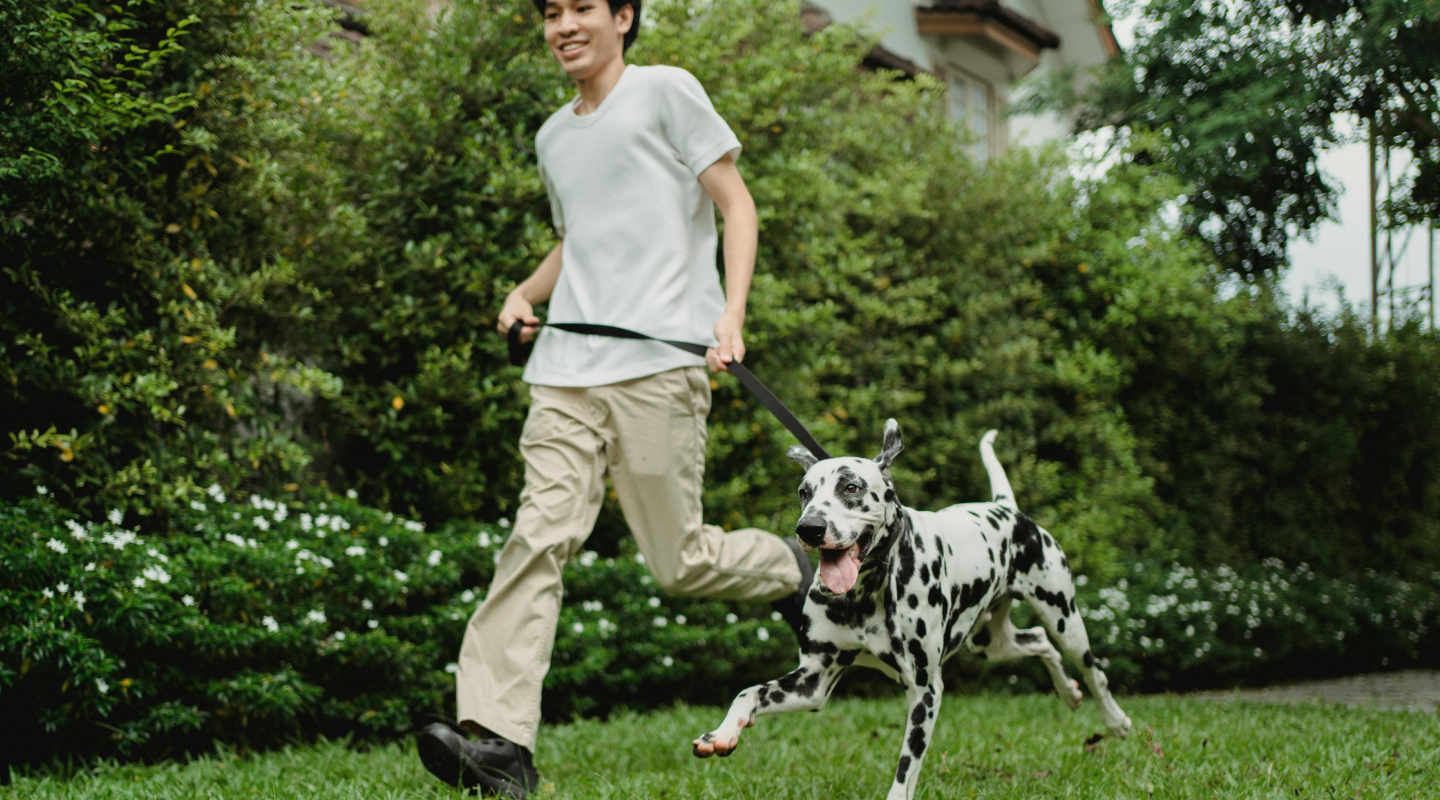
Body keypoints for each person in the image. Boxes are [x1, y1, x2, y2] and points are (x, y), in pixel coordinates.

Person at [415, 1, 814, 795]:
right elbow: (579, 241)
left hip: (660, 366)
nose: (565, 25)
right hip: (565, 370)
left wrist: (730, 315)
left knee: (679, 561)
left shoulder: (667, 91)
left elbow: (736, 204)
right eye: (552, 12)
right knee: (538, 535)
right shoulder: (553, 137)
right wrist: (524, 293)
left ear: (624, 16)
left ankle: (793, 568)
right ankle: (496, 740)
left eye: (583, 8)